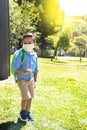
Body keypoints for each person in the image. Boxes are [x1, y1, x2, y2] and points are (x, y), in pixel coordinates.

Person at [13, 33, 38, 122]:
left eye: (29, 42)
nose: (27, 45)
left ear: (34, 44)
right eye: (25, 43)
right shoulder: (21, 53)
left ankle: (28, 112)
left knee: (31, 97)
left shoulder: (34, 55)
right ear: (23, 43)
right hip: (22, 80)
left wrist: (35, 81)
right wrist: (24, 71)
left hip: (31, 80)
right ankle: (22, 112)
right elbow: (15, 67)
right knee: (26, 97)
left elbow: (36, 70)